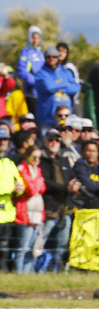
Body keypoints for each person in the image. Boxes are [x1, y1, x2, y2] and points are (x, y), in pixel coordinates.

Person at [40, 129, 78, 271]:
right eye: (51, 140)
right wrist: (65, 188)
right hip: (49, 208)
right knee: (41, 241)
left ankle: (59, 270)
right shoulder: (41, 160)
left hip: (65, 208)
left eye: (56, 140)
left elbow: (72, 177)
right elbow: (45, 182)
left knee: (62, 243)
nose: (54, 143)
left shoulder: (64, 159)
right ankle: (37, 269)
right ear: (45, 141)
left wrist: (74, 185)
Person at [34, 46, 81, 134]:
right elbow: (49, 87)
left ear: (57, 57)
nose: (51, 59)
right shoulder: (40, 73)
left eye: (54, 56)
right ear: (45, 58)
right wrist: (65, 84)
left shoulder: (65, 72)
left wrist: (63, 90)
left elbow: (76, 88)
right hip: (47, 120)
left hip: (65, 119)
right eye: (48, 57)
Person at [14, 146, 46, 273]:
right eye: (34, 157)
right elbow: (31, 190)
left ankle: (26, 274)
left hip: (37, 212)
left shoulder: (37, 169)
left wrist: (36, 182)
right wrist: (38, 182)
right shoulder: (22, 169)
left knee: (33, 247)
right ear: (27, 156)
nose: (37, 160)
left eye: (39, 157)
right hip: (25, 212)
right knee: (23, 247)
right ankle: (18, 274)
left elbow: (42, 188)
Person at [0, 130, 24, 271]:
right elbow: (10, 186)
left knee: (5, 249)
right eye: (1, 139)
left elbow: (20, 183)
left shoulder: (9, 162)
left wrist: (19, 188)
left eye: (5, 139)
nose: (3, 142)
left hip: (8, 214)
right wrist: (11, 187)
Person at [17, 26, 45, 114]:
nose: (35, 41)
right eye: (33, 38)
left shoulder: (41, 53)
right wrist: (34, 81)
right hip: (31, 91)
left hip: (42, 92)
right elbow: (21, 70)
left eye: (38, 38)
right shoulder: (26, 51)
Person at [72, 141, 99, 209]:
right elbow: (87, 183)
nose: (91, 154)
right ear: (82, 152)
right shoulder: (80, 165)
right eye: (88, 150)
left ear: (98, 153)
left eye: (93, 151)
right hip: (82, 207)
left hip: (96, 206)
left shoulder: (98, 167)